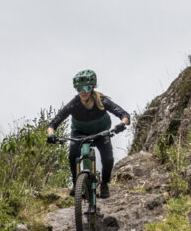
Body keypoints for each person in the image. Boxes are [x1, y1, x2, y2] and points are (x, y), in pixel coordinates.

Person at [46, 69, 130, 198]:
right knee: (73, 155)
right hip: (79, 132)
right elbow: (53, 123)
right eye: (79, 88)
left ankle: (105, 183)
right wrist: (51, 135)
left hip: (101, 132)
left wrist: (121, 124)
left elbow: (124, 115)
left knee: (108, 159)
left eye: (87, 87)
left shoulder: (102, 101)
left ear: (93, 87)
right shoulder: (74, 104)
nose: (83, 91)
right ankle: (77, 184)